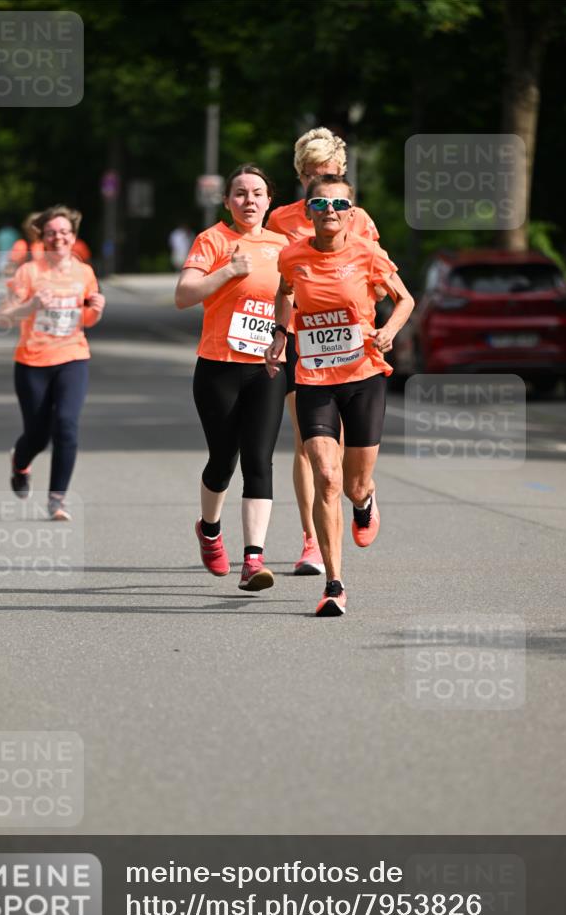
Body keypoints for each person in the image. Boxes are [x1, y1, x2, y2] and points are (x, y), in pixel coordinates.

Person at [265, 176, 414, 617]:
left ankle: (366, 502)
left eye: (338, 203)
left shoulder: (367, 252)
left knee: (352, 484)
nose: (329, 209)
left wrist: (388, 331)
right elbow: (283, 292)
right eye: (320, 202)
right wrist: (280, 333)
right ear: (308, 210)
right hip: (313, 378)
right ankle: (334, 584)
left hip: (364, 376)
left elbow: (404, 300)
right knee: (327, 477)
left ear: (351, 212)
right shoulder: (292, 255)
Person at [267, 127, 383, 577]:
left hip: (352, 344)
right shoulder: (280, 220)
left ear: (341, 174)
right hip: (302, 338)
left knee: (350, 458)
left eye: (330, 173)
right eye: (312, 176)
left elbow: (375, 273)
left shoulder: (359, 217)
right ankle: (312, 541)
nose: (321, 184)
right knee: (306, 444)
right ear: (300, 176)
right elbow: (275, 278)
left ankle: (362, 493)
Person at [175, 165, 288, 591]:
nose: (249, 200)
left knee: (260, 459)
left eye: (257, 193)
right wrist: (227, 270)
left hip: (267, 368)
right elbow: (183, 296)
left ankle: (253, 560)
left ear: (269, 200)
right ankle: (209, 528)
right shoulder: (213, 240)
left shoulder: (284, 245)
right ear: (227, 201)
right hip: (218, 366)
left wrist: (283, 334)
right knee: (224, 460)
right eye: (239, 193)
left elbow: (290, 297)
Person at [0, 205, 105, 520]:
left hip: (72, 357)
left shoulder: (84, 272)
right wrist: (30, 304)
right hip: (32, 362)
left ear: (73, 237)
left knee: (67, 426)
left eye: (64, 232)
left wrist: (97, 307)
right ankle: (20, 462)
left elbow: (88, 319)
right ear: (42, 238)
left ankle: (57, 499)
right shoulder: (29, 272)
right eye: (51, 233)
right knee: (37, 435)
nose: (58, 237)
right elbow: (4, 317)